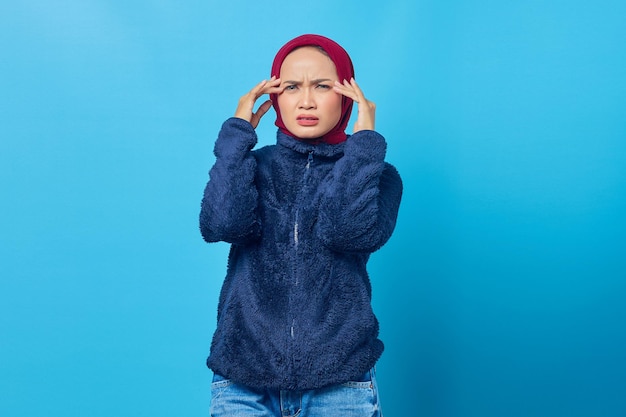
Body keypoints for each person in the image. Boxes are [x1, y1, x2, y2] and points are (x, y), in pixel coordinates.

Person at [199, 34, 403, 417]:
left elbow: (347, 231)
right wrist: (236, 136)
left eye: (323, 86)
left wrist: (364, 145)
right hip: (243, 381)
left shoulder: (379, 175)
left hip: (339, 384)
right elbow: (221, 223)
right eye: (292, 86)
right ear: (274, 95)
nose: (306, 100)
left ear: (347, 95)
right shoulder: (251, 166)